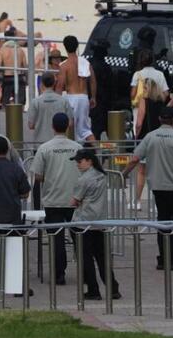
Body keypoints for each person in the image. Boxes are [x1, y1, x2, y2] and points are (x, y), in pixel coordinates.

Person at [122, 107, 173, 269]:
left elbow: (135, 158)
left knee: (162, 221)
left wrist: (124, 173)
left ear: (159, 119)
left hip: (157, 187)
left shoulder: (150, 137)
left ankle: (163, 258)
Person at [30, 113, 83, 284]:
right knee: (79, 236)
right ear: (68, 126)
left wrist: (49, 178)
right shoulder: (77, 147)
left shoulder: (44, 148)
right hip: (74, 198)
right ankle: (85, 271)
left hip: (53, 198)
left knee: (56, 238)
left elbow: (37, 175)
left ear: (52, 127)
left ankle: (59, 274)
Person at [70, 148, 121, 300]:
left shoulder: (83, 179)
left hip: (83, 222)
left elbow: (74, 201)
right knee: (102, 257)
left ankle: (93, 289)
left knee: (85, 258)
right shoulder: (102, 175)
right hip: (100, 222)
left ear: (89, 161)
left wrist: (77, 202)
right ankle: (113, 288)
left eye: (80, 161)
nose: (77, 164)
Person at [27, 73, 74, 145]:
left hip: (40, 143)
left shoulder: (35, 102)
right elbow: (70, 123)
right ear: (54, 83)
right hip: (60, 144)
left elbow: (31, 125)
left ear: (41, 83)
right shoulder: (63, 101)